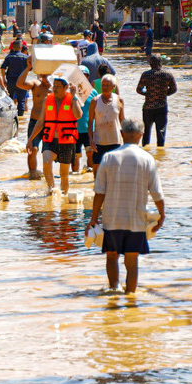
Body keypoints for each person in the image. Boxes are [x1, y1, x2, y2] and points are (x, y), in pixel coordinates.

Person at [86, 118, 165, 295]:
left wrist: (92, 219)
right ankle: (130, 298)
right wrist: (162, 214)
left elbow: (99, 192)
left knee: (112, 255)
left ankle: (113, 291)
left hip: (112, 219)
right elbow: (157, 193)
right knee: (132, 259)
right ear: (141, 135)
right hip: (136, 220)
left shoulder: (109, 157)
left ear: (121, 134)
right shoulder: (147, 159)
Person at [27, 75, 83, 194]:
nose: (54, 88)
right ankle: (51, 191)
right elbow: (41, 121)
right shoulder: (48, 100)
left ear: (66, 87)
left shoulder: (73, 99)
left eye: (58, 86)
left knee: (64, 174)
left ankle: (63, 197)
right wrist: (30, 139)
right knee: (46, 162)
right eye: (54, 86)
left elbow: (78, 115)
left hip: (67, 141)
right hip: (50, 139)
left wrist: (73, 97)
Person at [16, 56, 52, 179]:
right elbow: (19, 84)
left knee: (48, 152)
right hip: (35, 120)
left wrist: (50, 84)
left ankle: (48, 176)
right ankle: (33, 175)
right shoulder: (36, 84)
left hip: (50, 123)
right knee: (33, 148)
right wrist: (28, 68)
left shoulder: (56, 86)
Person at [135, 55, 177, 150]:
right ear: (160, 63)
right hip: (161, 107)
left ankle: (145, 151)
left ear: (150, 63)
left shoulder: (146, 75)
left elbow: (138, 89)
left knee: (146, 132)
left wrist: (148, 94)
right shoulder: (167, 74)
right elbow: (174, 89)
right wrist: (164, 94)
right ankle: (161, 154)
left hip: (148, 108)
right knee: (161, 132)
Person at [89, 74, 124, 176]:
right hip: (99, 141)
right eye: (103, 85)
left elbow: (122, 119)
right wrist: (91, 140)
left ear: (113, 87)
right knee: (96, 170)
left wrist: (126, 138)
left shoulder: (119, 100)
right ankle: (97, 191)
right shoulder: (95, 101)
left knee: (114, 171)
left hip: (115, 140)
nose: (104, 87)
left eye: (107, 85)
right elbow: (90, 121)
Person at [74, 66, 96, 172]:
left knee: (90, 153)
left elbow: (98, 111)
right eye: (80, 75)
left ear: (88, 77)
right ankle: (74, 178)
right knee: (75, 156)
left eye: (85, 75)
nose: (82, 78)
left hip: (89, 129)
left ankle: (88, 175)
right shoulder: (71, 92)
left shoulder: (93, 92)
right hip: (74, 129)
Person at [1, 41, 29, 116]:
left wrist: (3, 79)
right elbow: (30, 68)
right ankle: (20, 118)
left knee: (10, 99)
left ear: (13, 48)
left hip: (11, 82)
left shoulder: (9, 57)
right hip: (22, 82)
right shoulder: (25, 57)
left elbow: (3, 68)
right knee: (21, 101)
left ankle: (10, 116)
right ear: (21, 47)